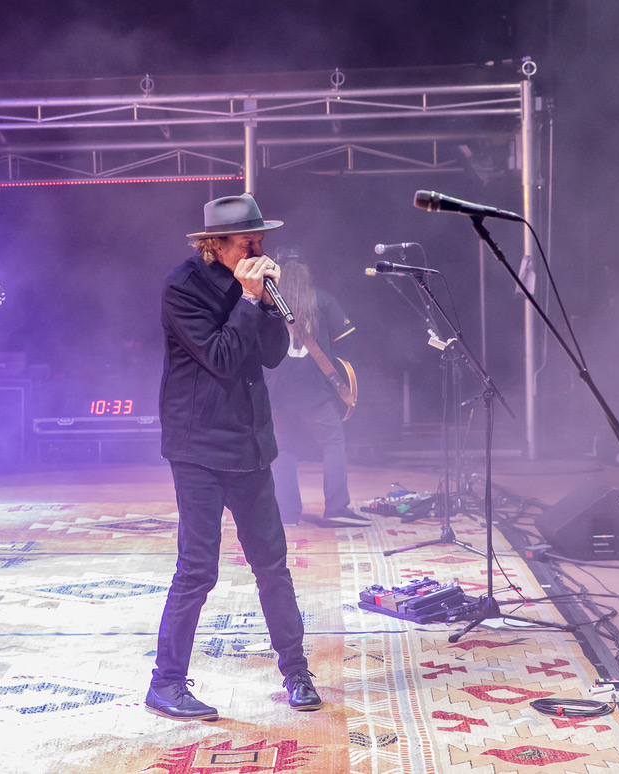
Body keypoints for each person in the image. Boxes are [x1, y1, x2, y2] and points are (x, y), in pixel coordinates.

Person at [146, 193, 323, 721]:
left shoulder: (258, 285)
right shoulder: (182, 288)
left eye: (260, 239)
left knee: (272, 564)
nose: (258, 248)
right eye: (248, 241)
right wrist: (249, 300)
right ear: (214, 244)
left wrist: (267, 302)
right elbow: (222, 358)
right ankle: (166, 684)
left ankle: (296, 671)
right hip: (199, 448)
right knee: (197, 570)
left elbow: (269, 356)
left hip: (249, 445)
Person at [266, 249, 369, 528]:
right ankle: (336, 507)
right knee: (332, 443)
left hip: (278, 391)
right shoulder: (323, 299)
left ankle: (287, 515)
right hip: (316, 391)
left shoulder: (267, 302)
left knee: (284, 449)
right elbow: (348, 342)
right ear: (306, 271)